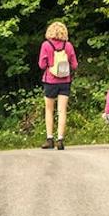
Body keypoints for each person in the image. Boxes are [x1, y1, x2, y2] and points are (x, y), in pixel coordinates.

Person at [38, 20, 78, 150]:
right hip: (65, 81)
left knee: (49, 110)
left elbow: (42, 65)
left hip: (50, 81)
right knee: (62, 110)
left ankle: (50, 139)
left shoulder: (46, 45)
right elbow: (74, 65)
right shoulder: (68, 46)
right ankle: (60, 139)